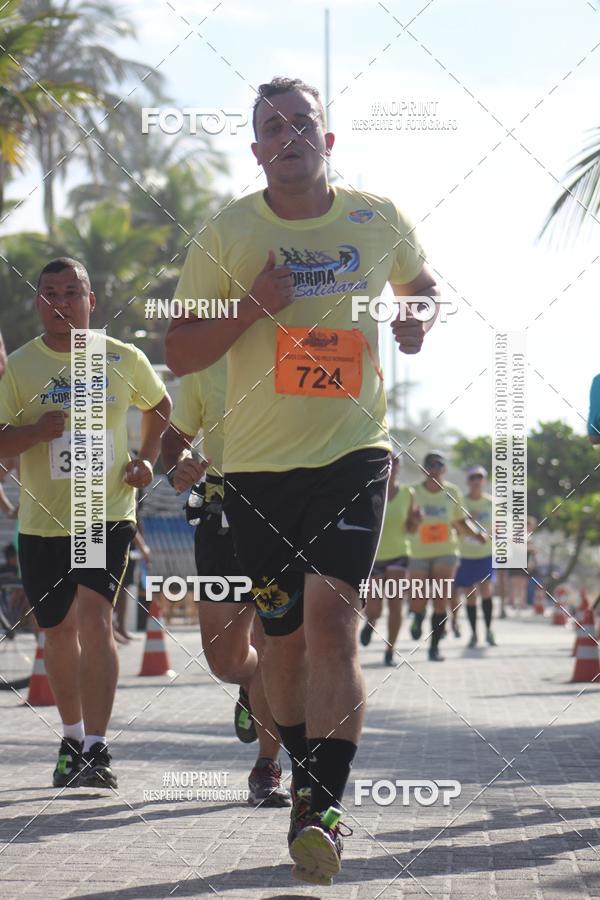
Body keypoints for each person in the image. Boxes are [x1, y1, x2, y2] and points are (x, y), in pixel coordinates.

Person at [165, 76, 439, 886]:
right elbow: (180, 352)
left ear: (329, 137)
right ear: (256, 150)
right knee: (280, 650)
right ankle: (293, 764)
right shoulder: (228, 233)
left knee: (331, 621)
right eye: (272, 127)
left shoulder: (377, 217)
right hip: (255, 469)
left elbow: (420, 290)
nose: (289, 135)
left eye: (301, 122)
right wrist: (252, 306)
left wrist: (417, 323)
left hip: (353, 451)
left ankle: (322, 803)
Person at [0, 257, 171, 789]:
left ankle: (98, 747)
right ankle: (71, 738)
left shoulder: (121, 357)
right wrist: (36, 434)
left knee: (97, 618)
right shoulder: (21, 368)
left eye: (71, 292)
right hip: (42, 521)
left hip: (102, 514)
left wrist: (144, 459)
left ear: (90, 301)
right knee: (56, 630)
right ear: (38, 303)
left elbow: (160, 406)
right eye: (49, 293)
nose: (60, 302)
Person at [161, 359, 291, 808]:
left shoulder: (296, 350)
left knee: (278, 644)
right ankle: (251, 687)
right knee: (225, 660)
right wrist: (179, 465)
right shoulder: (207, 363)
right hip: (220, 519)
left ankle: (267, 766)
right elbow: (173, 438)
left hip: (284, 516)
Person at [409, 451, 486, 661]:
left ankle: (434, 647)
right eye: (430, 465)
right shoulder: (412, 492)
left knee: (440, 599)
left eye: (438, 466)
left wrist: (477, 534)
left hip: (446, 551)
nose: (434, 470)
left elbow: (460, 522)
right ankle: (417, 615)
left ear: (444, 469)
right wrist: (415, 520)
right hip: (418, 552)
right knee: (417, 598)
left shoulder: (452, 492)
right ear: (424, 469)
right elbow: (406, 525)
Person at [359, 455, 419, 664]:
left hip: (399, 554)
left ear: (399, 467)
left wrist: (415, 521)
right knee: (374, 607)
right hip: (374, 556)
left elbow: (411, 528)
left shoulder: (407, 493)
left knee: (396, 604)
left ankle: (390, 649)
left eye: (395, 462)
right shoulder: (372, 488)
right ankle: (370, 622)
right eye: (388, 461)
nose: (391, 466)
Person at [453, 466, 496, 648]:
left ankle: (488, 630)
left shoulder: (491, 503)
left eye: (480, 477)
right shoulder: (460, 502)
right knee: (470, 595)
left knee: (486, 591)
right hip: (465, 555)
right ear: (468, 481)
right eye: (473, 477)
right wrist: (469, 519)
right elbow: (455, 525)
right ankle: (473, 634)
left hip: (485, 554)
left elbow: (500, 527)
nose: (476, 481)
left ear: (484, 481)